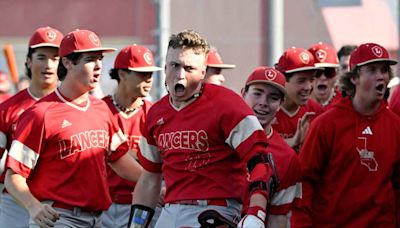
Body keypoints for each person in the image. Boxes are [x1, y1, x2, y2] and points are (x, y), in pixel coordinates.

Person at [131, 29, 276, 228]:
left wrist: (256, 213)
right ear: (165, 66)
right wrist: (136, 226)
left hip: (215, 210)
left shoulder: (227, 104)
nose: (180, 75)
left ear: (203, 72)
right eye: (175, 65)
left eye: (189, 68)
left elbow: (260, 162)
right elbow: (149, 177)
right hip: (170, 210)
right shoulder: (156, 113)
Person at [4, 29, 143, 228]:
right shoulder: (41, 113)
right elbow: (13, 176)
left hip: (98, 218)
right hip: (59, 218)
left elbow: (118, 158)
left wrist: (152, 185)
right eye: (90, 59)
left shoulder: (101, 108)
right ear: (68, 62)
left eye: (100, 59)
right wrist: (33, 206)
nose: (98, 66)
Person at [293, 43, 400, 227]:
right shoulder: (326, 124)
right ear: (354, 78)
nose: (380, 76)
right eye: (372, 70)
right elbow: (304, 181)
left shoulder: (395, 126)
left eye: (384, 70)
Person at [0, 26, 63, 228]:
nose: (48, 65)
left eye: (55, 58)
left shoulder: (74, 106)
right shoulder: (7, 109)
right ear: (28, 61)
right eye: (42, 57)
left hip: (61, 200)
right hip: (16, 201)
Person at [101, 44, 162, 228]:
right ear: (122, 74)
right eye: (142, 73)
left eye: (151, 73)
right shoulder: (100, 110)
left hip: (141, 203)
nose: (149, 79)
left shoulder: (154, 114)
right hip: (103, 205)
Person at [241, 66, 302, 227]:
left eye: (273, 97)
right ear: (243, 94)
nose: (263, 103)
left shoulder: (287, 158)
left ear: (281, 104)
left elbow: (279, 218)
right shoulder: (220, 138)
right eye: (257, 93)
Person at [272, 47, 322, 152]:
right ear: (283, 80)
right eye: (301, 81)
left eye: (312, 79)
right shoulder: (266, 109)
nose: (308, 87)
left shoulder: (316, 111)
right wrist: (293, 141)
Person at [308, 42, 342, 110]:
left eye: (329, 72)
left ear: (336, 75)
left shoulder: (344, 103)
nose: (323, 77)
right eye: (317, 72)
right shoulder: (298, 104)